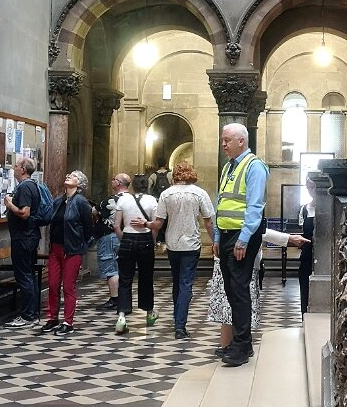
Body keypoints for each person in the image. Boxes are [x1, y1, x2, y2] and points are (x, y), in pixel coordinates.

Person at [213, 123, 269, 367]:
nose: (223, 144)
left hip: (242, 235)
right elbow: (221, 202)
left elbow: (255, 206)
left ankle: (241, 344)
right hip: (226, 234)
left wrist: (244, 239)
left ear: (241, 141)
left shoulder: (254, 166)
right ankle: (242, 343)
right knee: (231, 290)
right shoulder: (228, 166)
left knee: (238, 289)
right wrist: (217, 236)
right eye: (222, 140)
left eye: (227, 140)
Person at [207, 226, 308, 357]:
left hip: (232, 255)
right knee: (232, 310)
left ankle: (237, 346)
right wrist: (288, 238)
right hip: (239, 258)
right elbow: (255, 228)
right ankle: (234, 348)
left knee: (233, 309)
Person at [152, 160, 214, 339]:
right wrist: (215, 241)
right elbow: (208, 221)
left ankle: (177, 319)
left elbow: (159, 222)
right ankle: (180, 326)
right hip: (191, 243)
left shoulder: (166, 194)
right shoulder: (199, 193)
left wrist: (151, 234)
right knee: (186, 283)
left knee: (177, 281)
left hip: (172, 243)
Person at [40, 170, 94, 335]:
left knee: (69, 286)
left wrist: (81, 245)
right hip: (55, 248)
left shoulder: (81, 202)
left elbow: (88, 228)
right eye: (69, 175)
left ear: (80, 184)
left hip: (72, 250)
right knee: (52, 284)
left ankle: (68, 322)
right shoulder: (58, 201)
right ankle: (52, 318)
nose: (68, 176)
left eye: (73, 176)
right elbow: (49, 219)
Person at [113, 173, 159, 334]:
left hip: (127, 238)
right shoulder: (152, 200)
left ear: (133, 186)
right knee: (146, 277)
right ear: (147, 186)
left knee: (125, 278)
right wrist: (153, 241)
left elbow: (116, 225)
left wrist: (123, 239)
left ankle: (121, 317)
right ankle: (149, 312)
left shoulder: (123, 200)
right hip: (145, 239)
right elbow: (155, 225)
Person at [3, 156, 41, 327]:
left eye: (17, 165)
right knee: (29, 275)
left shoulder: (25, 187)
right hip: (30, 236)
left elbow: (24, 213)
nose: (14, 167)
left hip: (23, 237)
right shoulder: (32, 185)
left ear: (23, 170)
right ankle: (32, 313)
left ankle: (27, 316)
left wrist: (9, 204)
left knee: (24, 276)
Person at [94, 172, 130, 309]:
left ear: (119, 183)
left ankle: (115, 299)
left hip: (110, 236)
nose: (112, 181)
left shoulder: (110, 200)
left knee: (111, 267)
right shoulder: (133, 199)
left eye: (114, 179)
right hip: (128, 237)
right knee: (122, 268)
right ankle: (124, 298)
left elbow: (94, 211)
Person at [298, 176, 316, 314]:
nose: (312, 190)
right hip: (307, 252)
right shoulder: (305, 209)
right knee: (305, 286)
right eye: (309, 187)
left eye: (314, 187)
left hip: (323, 253)